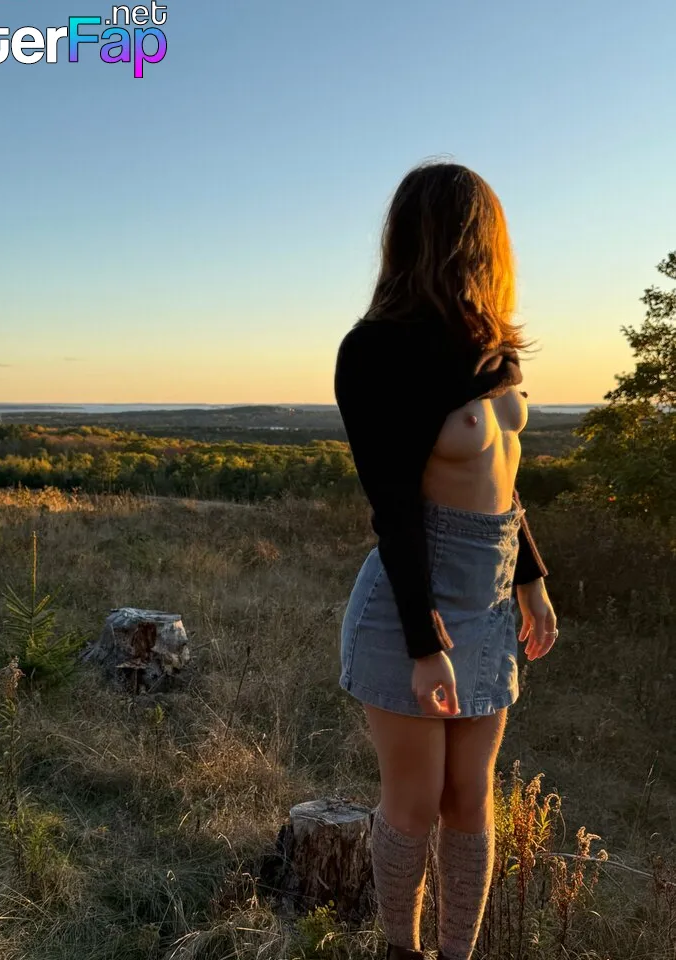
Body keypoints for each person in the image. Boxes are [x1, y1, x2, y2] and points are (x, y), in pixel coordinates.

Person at [333, 160, 558, 960]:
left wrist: (531, 580)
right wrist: (425, 644)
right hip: (412, 602)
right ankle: (402, 950)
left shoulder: (492, 348)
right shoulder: (376, 352)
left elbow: (504, 480)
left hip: (490, 600)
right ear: (465, 238)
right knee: (416, 800)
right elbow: (393, 510)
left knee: (471, 800)